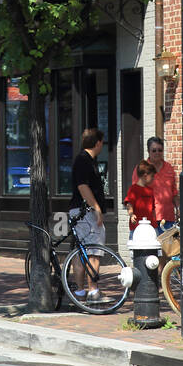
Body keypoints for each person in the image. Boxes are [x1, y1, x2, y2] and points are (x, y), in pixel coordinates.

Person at [67, 128, 107, 300]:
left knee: (80, 250)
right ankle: (93, 290)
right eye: (102, 142)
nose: (102, 145)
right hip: (86, 212)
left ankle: (80, 291)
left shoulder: (84, 160)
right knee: (93, 250)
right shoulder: (84, 160)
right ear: (97, 143)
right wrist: (97, 208)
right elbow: (83, 187)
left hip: (79, 211)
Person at [146, 136, 178, 233]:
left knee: (168, 248)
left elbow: (174, 193)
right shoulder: (142, 169)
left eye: (160, 150)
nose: (157, 153)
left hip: (168, 219)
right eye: (154, 150)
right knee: (151, 248)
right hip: (149, 220)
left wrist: (179, 208)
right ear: (148, 151)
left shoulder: (169, 168)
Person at [123, 160, 158, 232]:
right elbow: (129, 204)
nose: (153, 179)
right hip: (137, 228)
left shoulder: (150, 190)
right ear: (145, 176)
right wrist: (131, 214)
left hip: (151, 227)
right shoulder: (133, 189)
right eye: (152, 176)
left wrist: (155, 224)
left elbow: (153, 210)